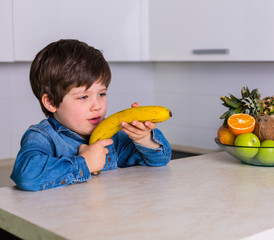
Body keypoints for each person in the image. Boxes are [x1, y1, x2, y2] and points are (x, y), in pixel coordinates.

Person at [10, 39, 172, 191]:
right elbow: (27, 176)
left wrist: (145, 139)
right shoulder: (43, 137)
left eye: (101, 94)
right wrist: (84, 163)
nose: (97, 105)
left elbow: (159, 160)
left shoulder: (112, 137)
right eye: (83, 97)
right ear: (51, 102)